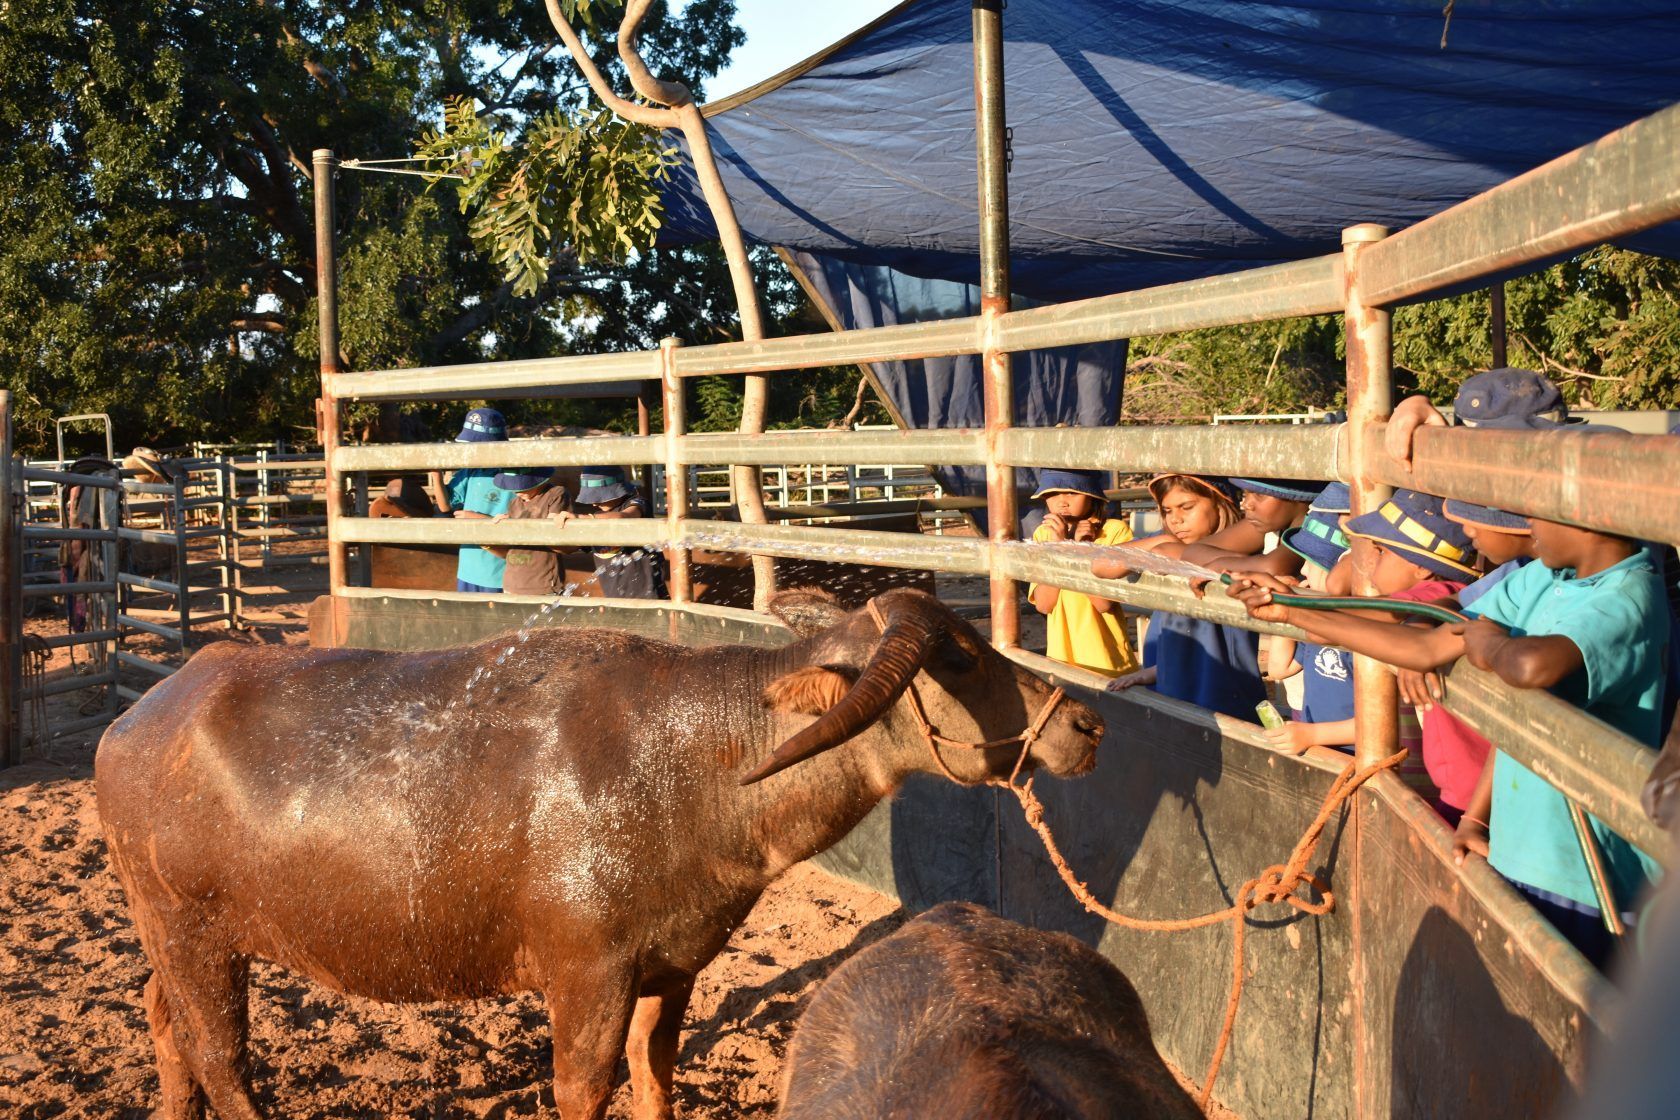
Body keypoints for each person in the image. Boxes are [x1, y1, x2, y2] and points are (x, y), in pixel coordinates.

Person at [1231, 436, 1667, 967]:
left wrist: (1489, 645)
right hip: (1518, 848)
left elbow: (1532, 667)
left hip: (1585, 872)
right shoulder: (1544, 579)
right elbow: (1429, 639)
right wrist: (1293, 611)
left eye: (1537, 512)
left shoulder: (1627, 598)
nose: (1525, 525)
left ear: (1588, 516)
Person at [1107, 475, 1268, 719]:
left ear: (1220, 503)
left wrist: (1163, 548)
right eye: (1167, 510)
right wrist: (1162, 539)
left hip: (1222, 694)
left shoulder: (1241, 554)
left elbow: (1164, 553)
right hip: (1171, 683)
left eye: (1187, 507)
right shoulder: (1167, 540)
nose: (1175, 519)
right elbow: (1102, 565)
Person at [1026, 469, 1138, 677]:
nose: (1062, 502)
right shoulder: (1044, 534)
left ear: (1091, 495)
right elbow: (1044, 604)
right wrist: (1061, 549)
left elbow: (1103, 603)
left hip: (1107, 661)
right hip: (1061, 660)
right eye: (1053, 493)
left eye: (1072, 493)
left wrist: (1080, 551)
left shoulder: (1113, 531)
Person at [427, 407, 514, 593]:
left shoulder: (514, 475)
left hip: (497, 570)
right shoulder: (471, 471)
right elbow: (445, 505)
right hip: (468, 567)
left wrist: (476, 518)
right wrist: (436, 475)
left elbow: (518, 520)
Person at [568, 466, 665, 600]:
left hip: (649, 597)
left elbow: (623, 517)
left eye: (599, 497)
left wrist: (582, 519)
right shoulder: (598, 517)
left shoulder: (637, 504)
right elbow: (570, 547)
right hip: (614, 599)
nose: (594, 503)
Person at [484, 469, 571, 596]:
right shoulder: (514, 503)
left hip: (543, 583)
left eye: (522, 486)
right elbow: (509, 549)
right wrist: (501, 527)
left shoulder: (556, 494)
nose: (516, 491)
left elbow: (553, 530)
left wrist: (514, 525)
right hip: (512, 582)